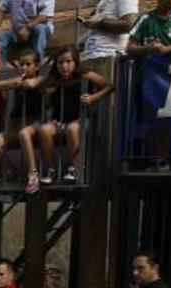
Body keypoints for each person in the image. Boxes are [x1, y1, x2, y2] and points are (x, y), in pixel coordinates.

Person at [127, 0, 171, 171]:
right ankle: (153, 160)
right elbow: (130, 48)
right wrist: (149, 48)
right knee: (149, 120)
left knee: (166, 118)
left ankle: (163, 158)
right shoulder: (145, 19)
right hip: (146, 77)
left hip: (169, 79)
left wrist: (167, 49)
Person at [37, 47, 113, 185]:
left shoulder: (85, 75)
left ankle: (73, 168)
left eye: (68, 61)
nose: (64, 66)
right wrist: (47, 93)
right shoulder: (54, 80)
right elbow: (46, 99)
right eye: (60, 63)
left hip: (81, 119)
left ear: (76, 62)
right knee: (44, 130)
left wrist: (93, 97)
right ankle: (51, 169)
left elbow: (109, 86)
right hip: (59, 120)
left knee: (72, 129)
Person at [0, 48, 45, 191]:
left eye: (28, 64)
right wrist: (11, 83)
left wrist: (18, 83)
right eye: (21, 64)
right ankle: (11, 171)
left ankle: (33, 174)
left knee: (24, 133)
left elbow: (30, 84)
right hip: (16, 125)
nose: (24, 68)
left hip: (36, 123)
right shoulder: (16, 80)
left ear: (37, 66)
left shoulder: (42, 78)